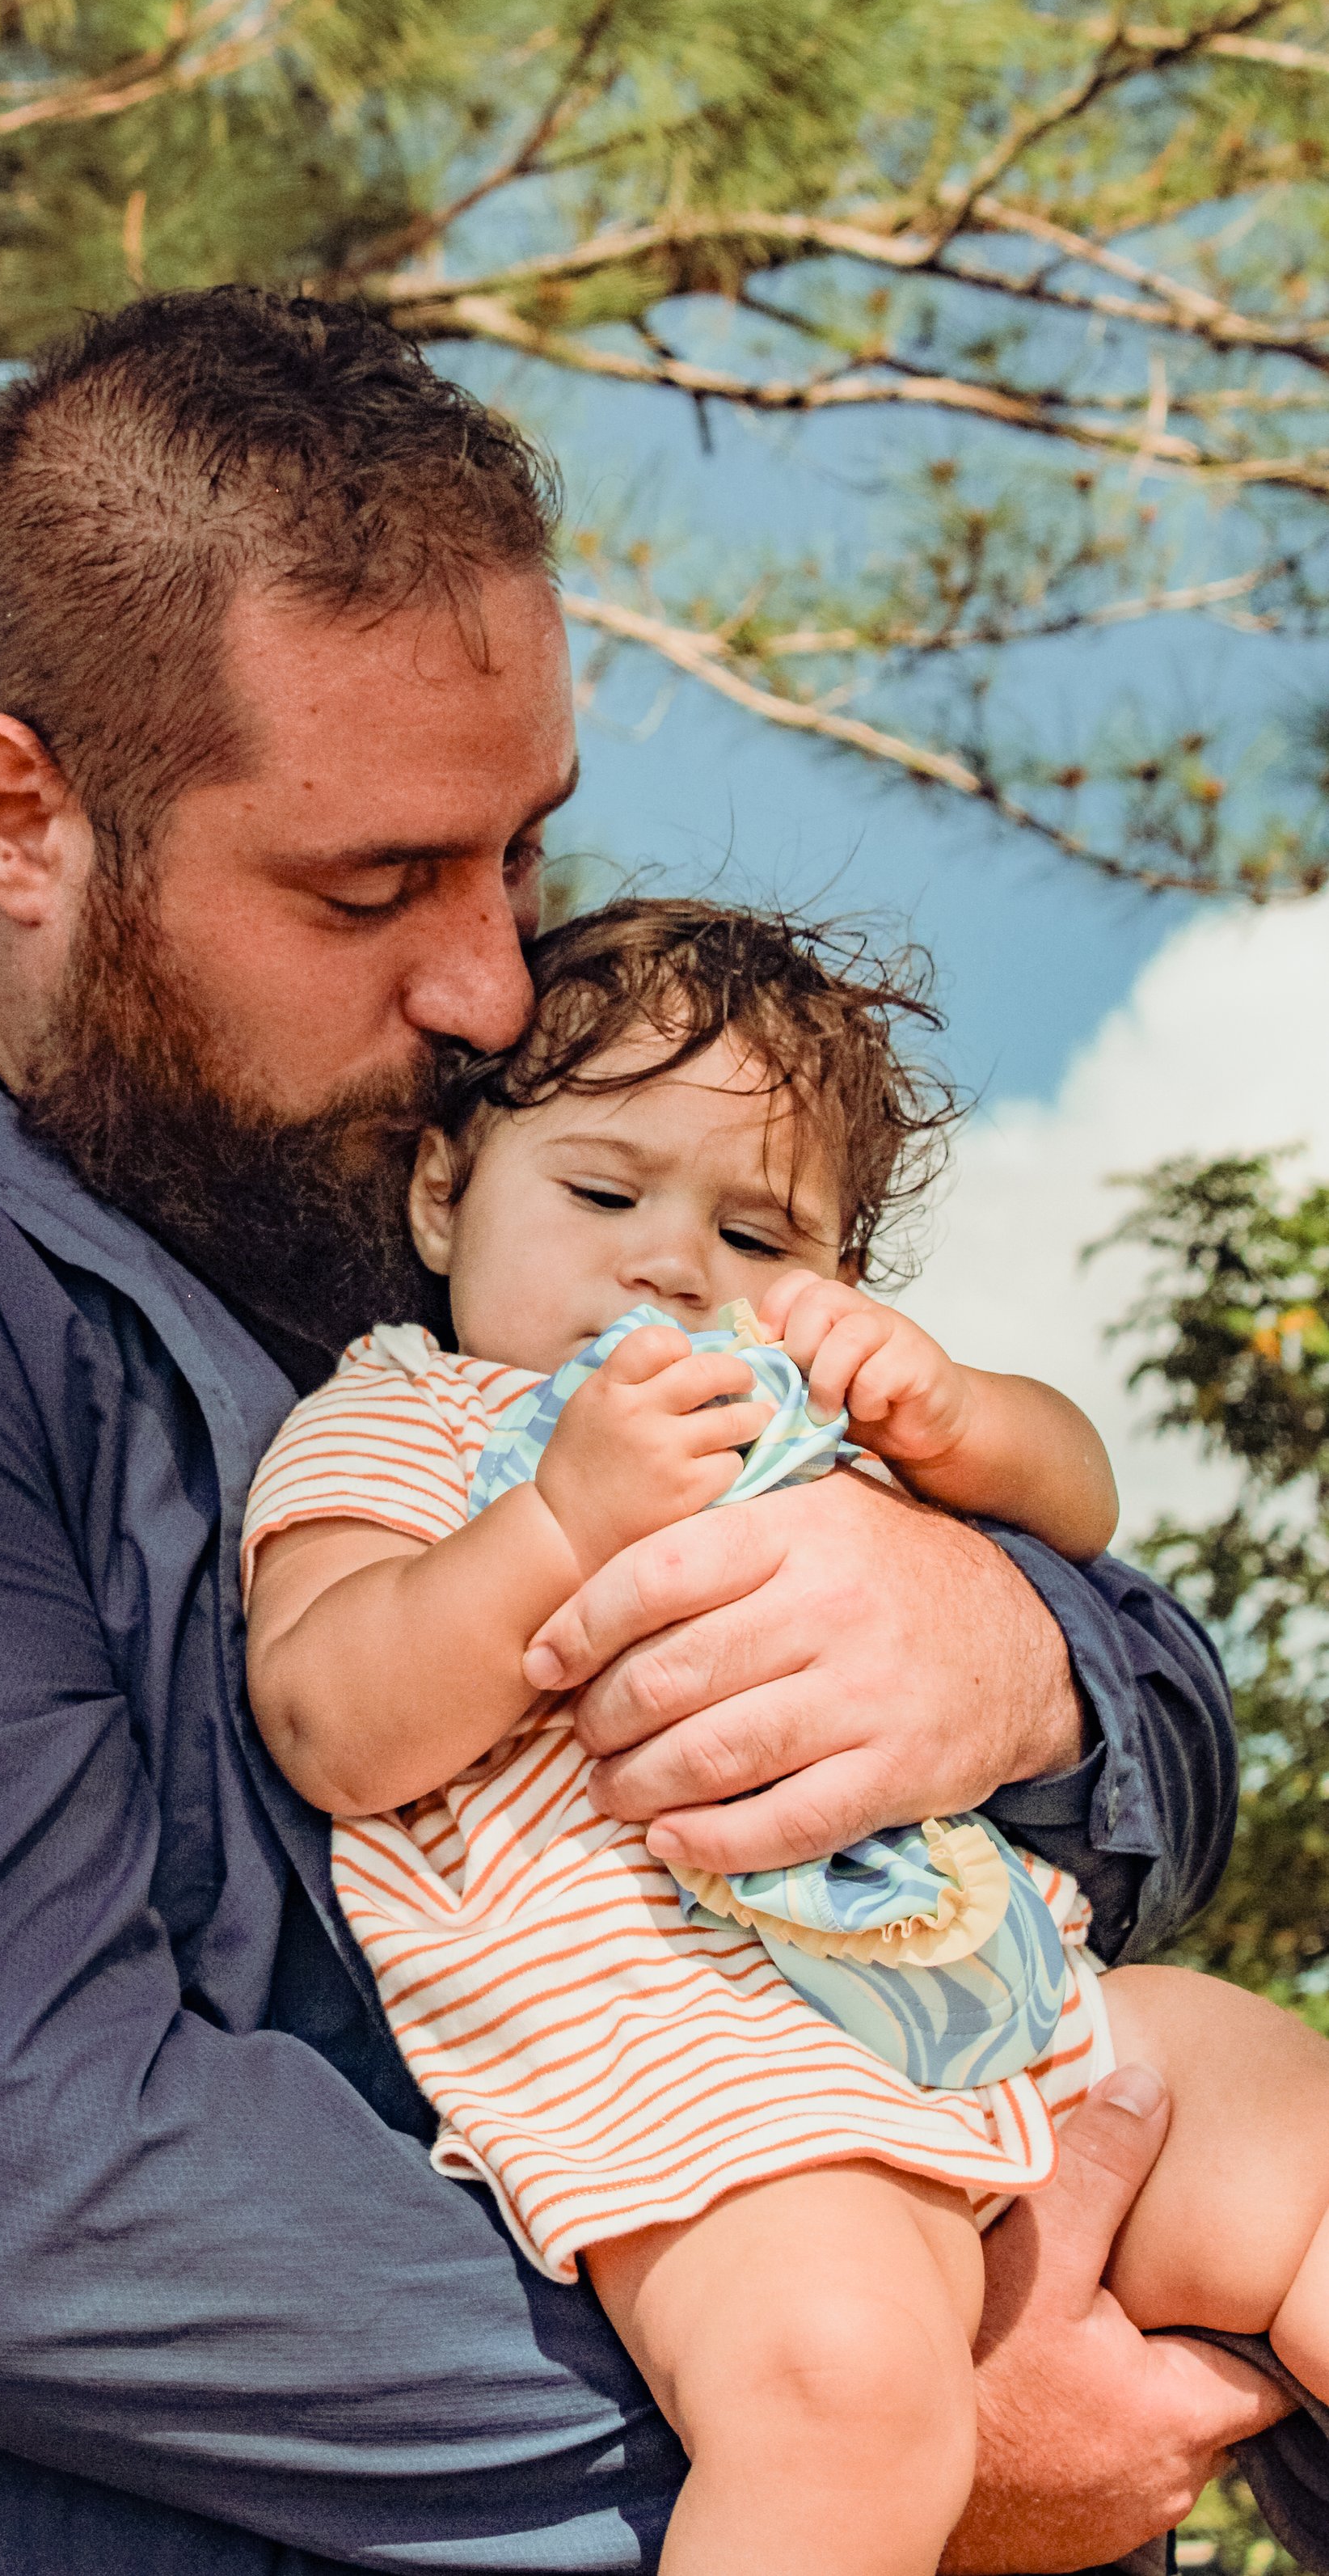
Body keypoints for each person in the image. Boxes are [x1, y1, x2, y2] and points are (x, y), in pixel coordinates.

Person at [0, 289, 1274, 2575]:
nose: (493, 982)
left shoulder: (440, 1200)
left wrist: (1004, 1648)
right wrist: (866, 2410)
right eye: (370, 882)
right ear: (25, 818)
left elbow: (1154, 1756)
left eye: (517, 851)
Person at [243, 897, 1329, 2576]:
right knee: (845, 2396)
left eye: (757, 1240)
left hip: (993, 2007)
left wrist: (960, 1419)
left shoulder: (799, 1408)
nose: (674, 1264)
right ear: (445, 1192)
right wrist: (554, 1521)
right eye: (601, 1193)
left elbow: (1084, 1500)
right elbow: (332, 1716)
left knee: (1294, 2129)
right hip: (705, 2090)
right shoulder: (404, 1416)